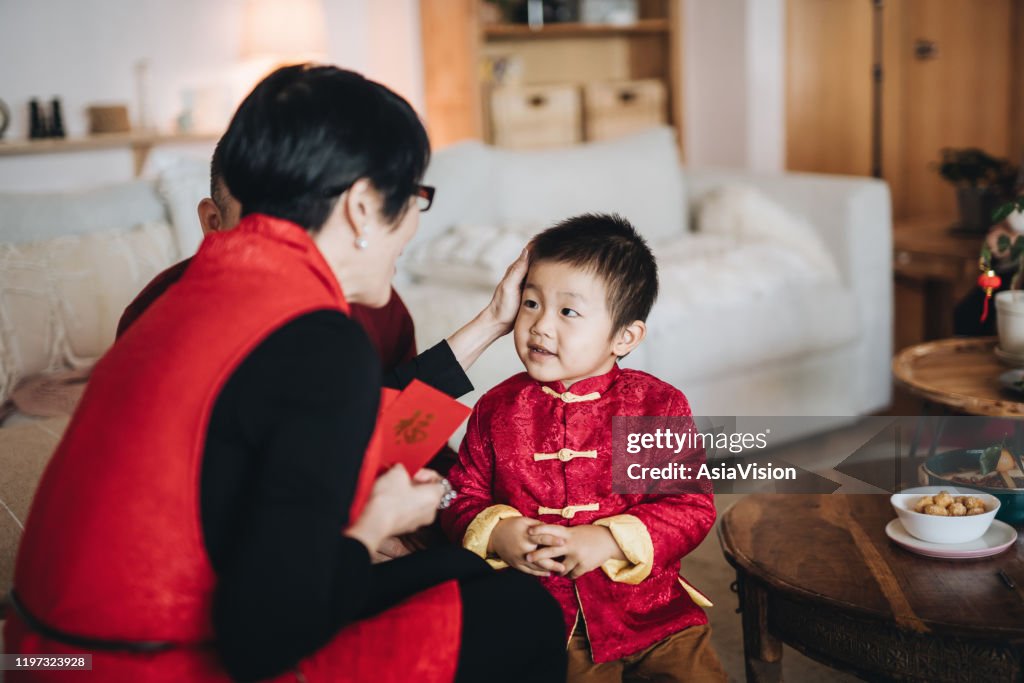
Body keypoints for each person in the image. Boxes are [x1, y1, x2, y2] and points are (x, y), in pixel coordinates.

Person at [5, 64, 566, 683]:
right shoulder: (316, 337)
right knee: (522, 615)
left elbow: (378, 429)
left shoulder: (191, 296)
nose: (413, 224)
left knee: (463, 572)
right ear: (360, 207)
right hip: (138, 665)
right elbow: (265, 638)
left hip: (39, 655)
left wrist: (492, 321)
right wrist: (375, 523)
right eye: (414, 199)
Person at [440, 214, 726, 682]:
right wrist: (499, 534)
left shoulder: (655, 405)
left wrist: (609, 539)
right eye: (530, 304)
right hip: (551, 625)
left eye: (567, 312)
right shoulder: (496, 408)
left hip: (657, 616)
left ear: (625, 336)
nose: (540, 327)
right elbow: (460, 495)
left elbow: (689, 506)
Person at [116, 140, 463, 481]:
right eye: (265, 226)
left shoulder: (376, 304)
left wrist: (471, 515)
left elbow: (410, 437)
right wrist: (371, 528)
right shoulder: (161, 319)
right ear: (213, 222)